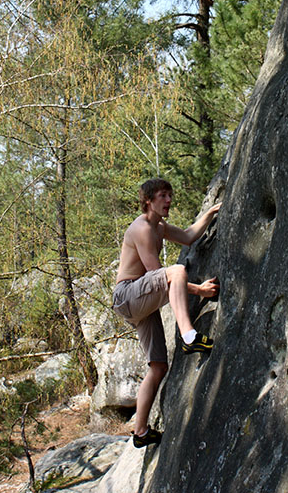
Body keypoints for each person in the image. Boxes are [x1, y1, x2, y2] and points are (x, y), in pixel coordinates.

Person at [112, 178, 221, 448]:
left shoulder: (158, 226)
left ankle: (140, 431)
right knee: (176, 271)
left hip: (139, 301)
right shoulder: (142, 229)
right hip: (128, 295)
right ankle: (189, 336)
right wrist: (201, 291)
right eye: (163, 195)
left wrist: (210, 212)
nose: (169, 200)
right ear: (148, 200)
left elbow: (187, 236)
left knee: (158, 367)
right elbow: (159, 274)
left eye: (170, 195)